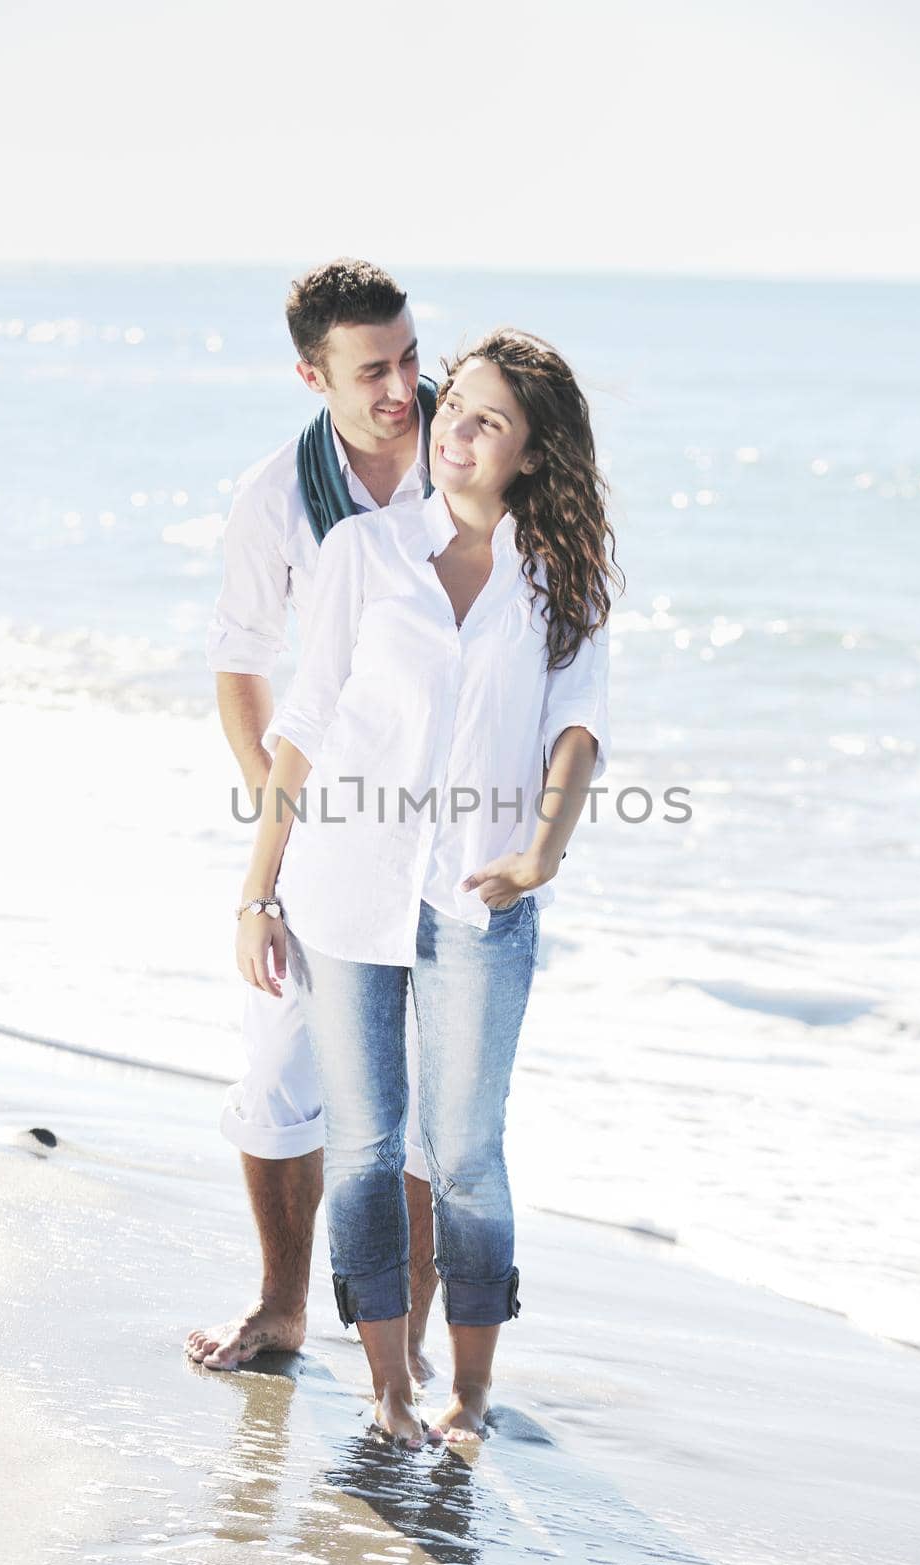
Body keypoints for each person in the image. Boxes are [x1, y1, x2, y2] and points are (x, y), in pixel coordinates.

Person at [235, 330, 621, 1446]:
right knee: (359, 1148)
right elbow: (303, 725)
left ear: (531, 450)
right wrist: (257, 892)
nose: (453, 430)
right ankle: (386, 1390)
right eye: (453, 408)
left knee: (462, 1155)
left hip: (478, 898)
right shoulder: (361, 552)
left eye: (487, 419)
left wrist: (540, 854)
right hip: (344, 890)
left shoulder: (561, 577)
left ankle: (472, 1389)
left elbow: (576, 731)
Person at [186, 260, 440, 1377]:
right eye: (372, 371)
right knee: (281, 1062)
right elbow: (240, 658)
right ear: (311, 376)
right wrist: (274, 814)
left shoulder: (476, 448)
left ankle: (416, 1352)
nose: (402, 390)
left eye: (410, 358)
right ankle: (281, 1307)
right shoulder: (273, 496)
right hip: (323, 821)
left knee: (436, 1091)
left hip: (453, 822)